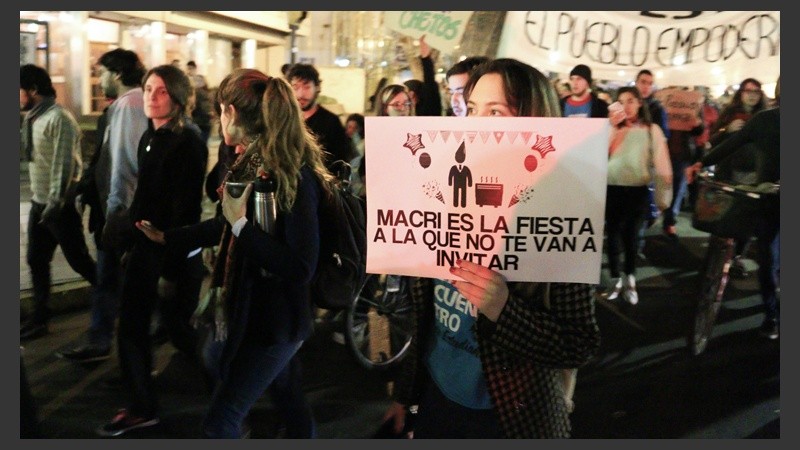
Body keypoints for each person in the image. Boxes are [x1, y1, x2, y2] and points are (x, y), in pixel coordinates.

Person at [382, 58, 601, 438]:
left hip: (508, 414)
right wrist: (406, 394)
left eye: (495, 111)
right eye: (472, 109)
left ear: (533, 120)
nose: (476, 123)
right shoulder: (439, 194)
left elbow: (578, 344)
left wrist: (503, 308)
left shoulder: (564, 208)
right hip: (437, 397)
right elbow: (425, 324)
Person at [137, 69, 329, 438]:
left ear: (230, 112)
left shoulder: (290, 173)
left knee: (220, 421)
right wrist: (168, 237)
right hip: (254, 312)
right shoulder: (249, 163)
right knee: (287, 396)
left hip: (277, 323)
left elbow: (300, 265)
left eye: (218, 114)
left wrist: (242, 226)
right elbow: (225, 225)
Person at [97, 64, 208, 437]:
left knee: (135, 326)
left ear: (178, 98)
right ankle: (214, 383)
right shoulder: (151, 136)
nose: (151, 97)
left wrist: (171, 261)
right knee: (166, 328)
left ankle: (143, 407)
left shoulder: (186, 141)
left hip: (162, 248)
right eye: (148, 89)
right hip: (145, 244)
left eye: (161, 91)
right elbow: (145, 196)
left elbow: (184, 208)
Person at [57, 48, 148, 362]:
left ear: (118, 73)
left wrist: (114, 212)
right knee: (114, 280)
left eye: (103, 72)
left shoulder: (130, 104)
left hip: (121, 213)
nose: (99, 79)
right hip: (118, 211)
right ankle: (118, 347)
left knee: (113, 281)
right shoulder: (124, 105)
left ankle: (113, 349)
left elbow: (124, 164)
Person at [686, 77, 780, 340]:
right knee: (768, 258)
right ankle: (771, 315)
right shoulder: (763, 120)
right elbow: (731, 144)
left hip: (769, 195)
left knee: (770, 259)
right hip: (766, 197)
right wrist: (702, 163)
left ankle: (772, 315)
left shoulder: (762, 119)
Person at [20, 64, 97, 340]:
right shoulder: (32, 118)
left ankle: (120, 299)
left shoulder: (59, 118)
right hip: (41, 203)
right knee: (36, 261)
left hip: (58, 208)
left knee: (80, 262)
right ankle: (39, 319)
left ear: (32, 90)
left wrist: (54, 203)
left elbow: (64, 167)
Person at [605, 87, 672, 304]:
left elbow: (663, 165)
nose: (626, 105)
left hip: (638, 191)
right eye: (621, 101)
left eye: (631, 100)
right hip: (612, 189)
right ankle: (616, 277)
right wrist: (611, 129)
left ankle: (630, 278)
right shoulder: (610, 128)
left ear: (640, 103)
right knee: (613, 237)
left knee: (632, 238)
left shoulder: (652, 130)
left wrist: (664, 199)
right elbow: (597, 155)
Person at [706, 78, 768, 278]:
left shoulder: (765, 116)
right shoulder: (729, 115)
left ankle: (737, 257)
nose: (751, 94)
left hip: (753, 175)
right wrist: (727, 130)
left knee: (746, 220)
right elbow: (712, 141)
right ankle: (718, 257)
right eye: (747, 90)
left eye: (756, 91)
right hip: (728, 174)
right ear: (740, 93)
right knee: (723, 216)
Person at [287, 63, 354, 170]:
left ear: (317, 87)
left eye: (306, 87)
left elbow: (342, 159)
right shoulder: (285, 121)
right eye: (295, 87)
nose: (300, 94)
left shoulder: (331, 122)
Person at [403, 35, 442, 117]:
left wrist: (425, 57)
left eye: (407, 93)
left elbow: (429, 80)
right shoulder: (406, 110)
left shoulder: (429, 105)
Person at [186, 61, 213, 144]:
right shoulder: (204, 87)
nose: (189, 71)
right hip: (205, 121)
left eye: (190, 68)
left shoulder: (194, 85)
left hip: (199, 120)